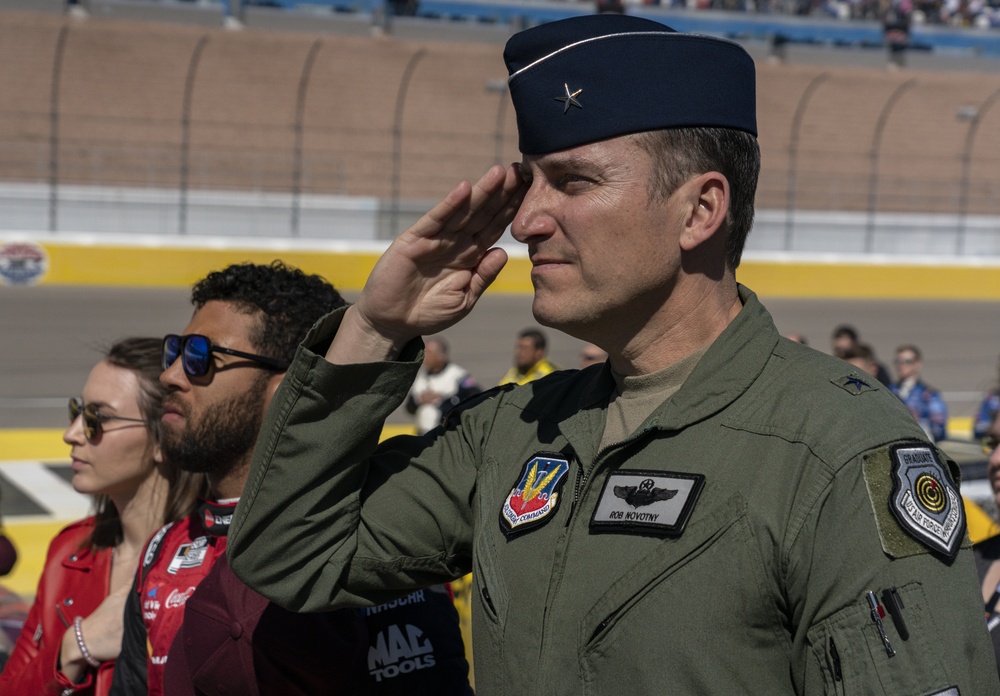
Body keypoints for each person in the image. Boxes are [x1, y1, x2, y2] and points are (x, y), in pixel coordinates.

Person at [228, 15, 999, 694]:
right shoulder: (516, 430)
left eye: (573, 182)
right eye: (532, 183)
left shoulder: (832, 449)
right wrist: (373, 327)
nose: (526, 219)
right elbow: (292, 554)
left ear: (700, 209)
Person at [109, 261, 471, 696]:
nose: (169, 375)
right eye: (175, 351)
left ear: (286, 390)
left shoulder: (382, 537)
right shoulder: (161, 550)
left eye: (199, 356)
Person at [0, 338, 205, 696]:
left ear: (163, 438)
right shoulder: (68, 552)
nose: (71, 434)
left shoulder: (215, 564)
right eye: (77, 412)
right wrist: (76, 646)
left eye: (98, 418)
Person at [405, 336, 481, 434]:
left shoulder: (458, 375)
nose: (425, 356)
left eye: (429, 353)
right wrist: (420, 401)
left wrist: (444, 402)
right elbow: (409, 407)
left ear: (441, 355)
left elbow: (475, 396)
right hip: (423, 435)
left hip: (451, 432)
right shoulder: (420, 378)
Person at [890, 344, 949, 442]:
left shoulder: (929, 395)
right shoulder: (889, 390)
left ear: (917, 364)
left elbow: (939, 431)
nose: (901, 365)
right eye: (898, 361)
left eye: (907, 361)